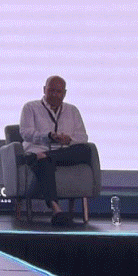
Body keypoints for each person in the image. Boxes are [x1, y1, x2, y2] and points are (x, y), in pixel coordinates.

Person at [19, 75, 91, 226]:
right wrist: (48, 136)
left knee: (85, 150)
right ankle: (56, 210)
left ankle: (44, 156)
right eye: (51, 91)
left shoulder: (72, 110)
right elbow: (25, 133)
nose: (54, 94)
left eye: (58, 92)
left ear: (64, 93)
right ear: (44, 90)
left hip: (63, 153)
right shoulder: (30, 107)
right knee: (44, 163)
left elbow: (83, 137)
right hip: (39, 149)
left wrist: (69, 140)